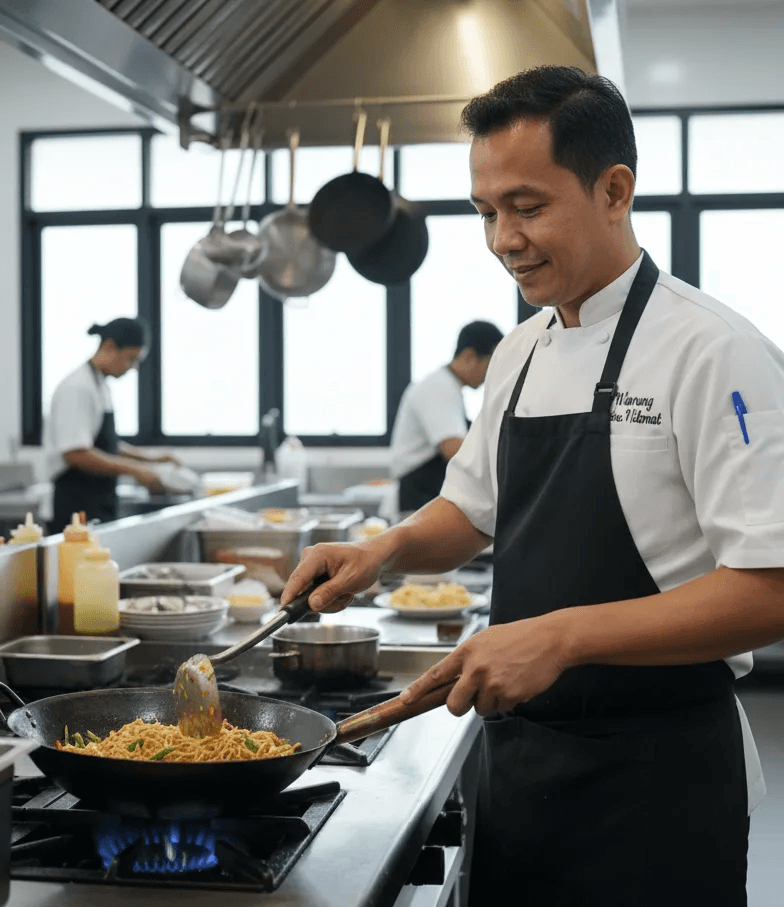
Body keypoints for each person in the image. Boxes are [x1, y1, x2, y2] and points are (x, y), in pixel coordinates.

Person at [281, 65, 784, 904]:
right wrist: (384, 550)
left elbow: (770, 589)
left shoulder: (714, 352)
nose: (502, 238)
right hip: (520, 770)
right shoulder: (519, 351)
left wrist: (559, 636)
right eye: (485, 212)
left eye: (528, 206)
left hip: (657, 784)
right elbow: (470, 508)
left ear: (614, 190)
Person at [45, 317, 177, 532]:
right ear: (109, 347)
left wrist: (150, 459)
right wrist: (136, 470)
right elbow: (76, 453)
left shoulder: (100, 385)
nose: (133, 367)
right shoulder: (78, 388)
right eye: (130, 359)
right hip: (75, 507)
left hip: (97, 502)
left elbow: (106, 445)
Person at [390, 320, 503, 514]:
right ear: (469, 356)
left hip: (424, 495)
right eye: (489, 366)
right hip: (419, 497)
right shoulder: (439, 387)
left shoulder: (449, 387)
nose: (489, 377)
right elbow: (454, 449)